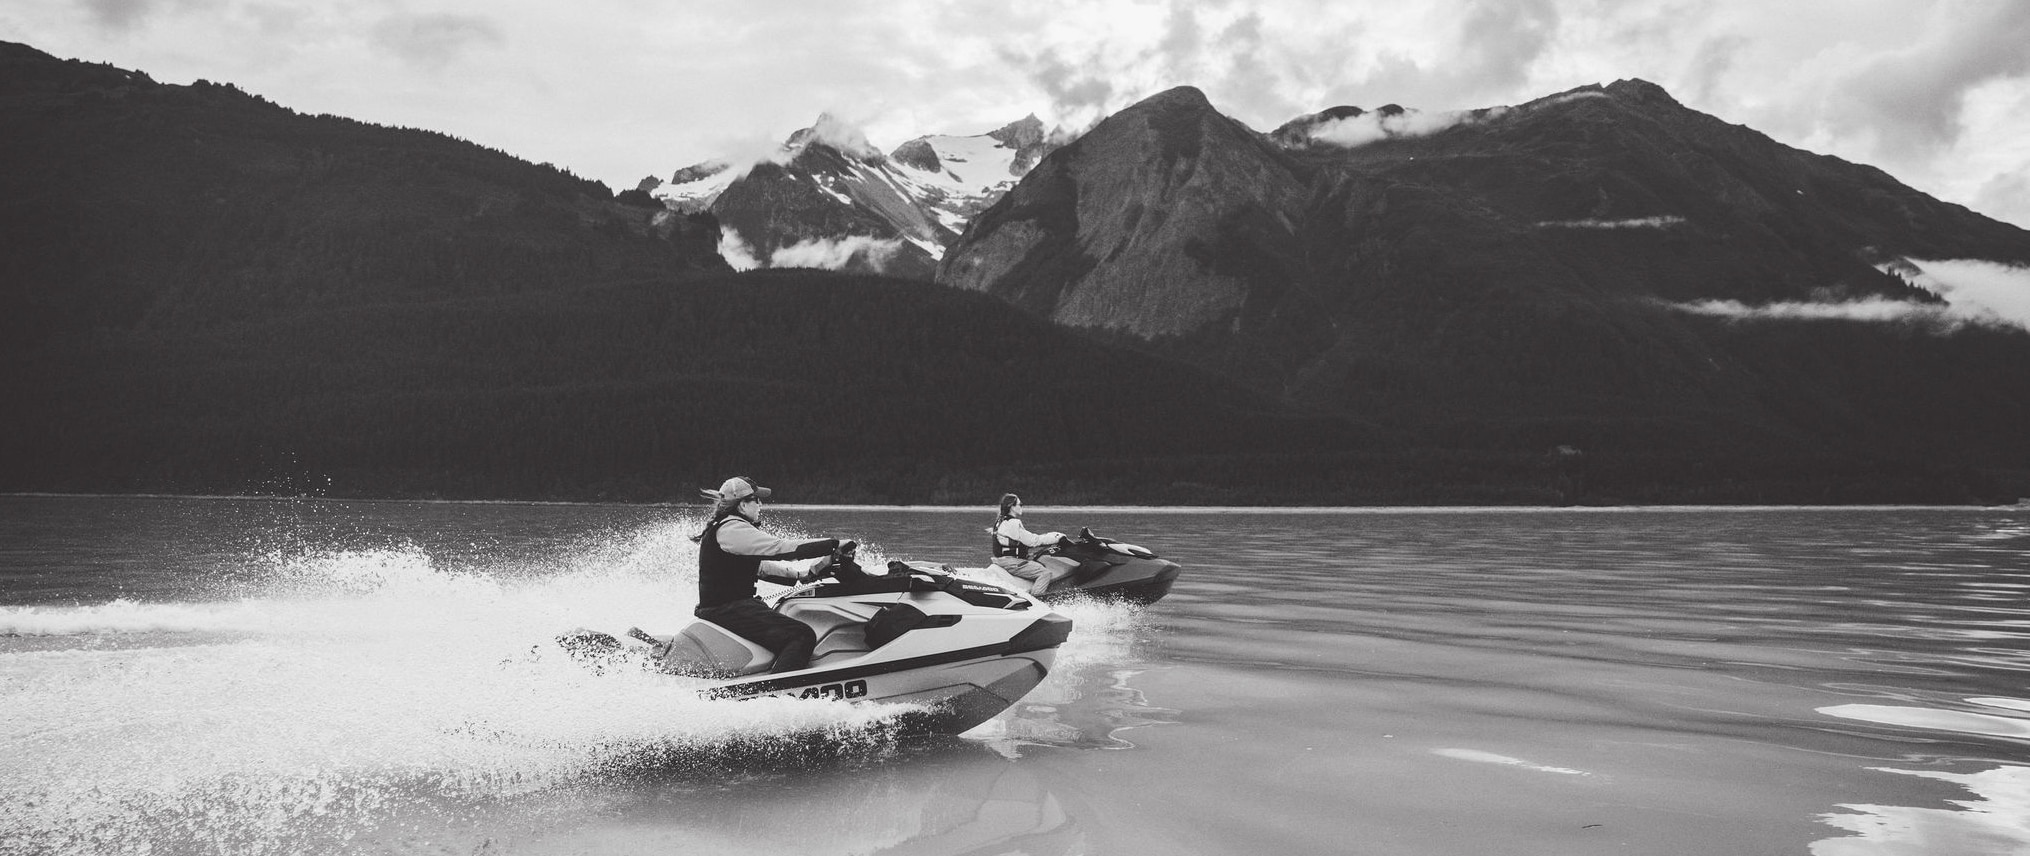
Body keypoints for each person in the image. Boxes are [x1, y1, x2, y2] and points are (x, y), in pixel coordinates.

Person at [691, 476, 846, 673]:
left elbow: (760, 567)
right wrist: (832, 545)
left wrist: (803, 575)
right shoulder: (732, 529)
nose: (760, 504)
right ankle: (777, 697)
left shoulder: (727, 527)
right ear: (742, 505)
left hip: (731, 607)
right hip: (728, 609)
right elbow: (780, 548)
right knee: (801, 635)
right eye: (756, 500)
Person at [989, 492, 1078, 596]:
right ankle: (1036, 601)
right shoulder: (1012, 523)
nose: (1022, 507)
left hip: (1004, 561)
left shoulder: (1000, 521)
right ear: (1012, 507)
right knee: (1045, 573)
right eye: (1020, 504)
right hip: (1011, 562)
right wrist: (1057, 537)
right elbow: (1033, 541)